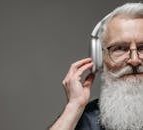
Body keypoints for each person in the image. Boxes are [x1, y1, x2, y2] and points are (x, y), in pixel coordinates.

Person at [49, 2, 143, 130]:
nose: (134, 60)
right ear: (99, 57)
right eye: (120, 48)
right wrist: (74, 107)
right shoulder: (88, 120)